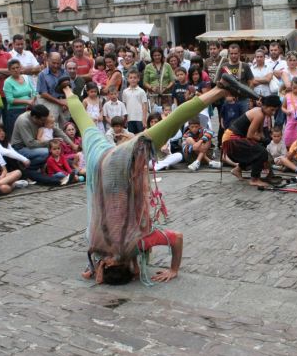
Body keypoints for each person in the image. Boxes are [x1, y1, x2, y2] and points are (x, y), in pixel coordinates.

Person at [58, 71, 253, 285]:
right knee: (85, 124)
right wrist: (93, 269)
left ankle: (220, 89)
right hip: (99, 162)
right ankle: (66, 87)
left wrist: (173, 269)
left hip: (119, 168)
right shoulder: (95, 246)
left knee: (171, 123)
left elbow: (176, 238)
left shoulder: (136, 244)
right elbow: (98, 261)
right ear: (109, 265)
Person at [223, 94, 282, 187]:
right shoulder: (259, 114)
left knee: (258, 150)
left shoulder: (262, 113)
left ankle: (237, 169)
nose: (273, 113)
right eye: (272, 110)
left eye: (275, 110)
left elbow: (260, 132)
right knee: (261, 152)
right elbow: (250, 135)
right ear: (265, 106)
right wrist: (262, 140)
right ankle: (254, 179)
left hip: (234, 139)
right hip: (231, 141)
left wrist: (264, 141)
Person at [11, 104, 76, 170]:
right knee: (47, 152)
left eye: (45, 120)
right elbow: (30, 144)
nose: (44, 122)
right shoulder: (24, 121)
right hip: (21, 148)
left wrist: (72, 144)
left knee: (55, 149)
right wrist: (50, 141)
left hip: (34, 144)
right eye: (43, 120)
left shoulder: (42, 118)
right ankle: (25, 168)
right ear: (34, 117)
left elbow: (58, 131)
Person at [3, 58, 37, 138]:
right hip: (15, 112)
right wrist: (26, 101)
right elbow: (10, 100)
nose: (15, 70)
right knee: (18, 136)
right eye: (13, 68)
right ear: (9, 70)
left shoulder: (26, 78)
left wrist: (32, 100)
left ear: (20, 68)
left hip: (29, 110)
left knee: (30, 134)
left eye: (17, 67)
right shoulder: (8, 82)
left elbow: (34, 92)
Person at [36, 52, 69, 124]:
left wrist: (67, 102)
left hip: (64, 103)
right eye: (53, 63)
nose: (56, 65)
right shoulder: (42, 74)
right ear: (48, 60)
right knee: (52, 125)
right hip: (50, 104)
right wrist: (60, 102)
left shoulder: (65, 72)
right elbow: (43, 94)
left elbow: (70, 88)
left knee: (66, 126)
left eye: (58, 63)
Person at [143, 48, 174, 113]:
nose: (157, 57)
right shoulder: (148, 67)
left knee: (166, 114)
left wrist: (166, 88)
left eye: (159, 55)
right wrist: (151, 88)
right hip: (153, 95)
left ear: (162, 55)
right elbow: (145, 82)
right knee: (155, 114)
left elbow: (172, 81)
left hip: (166, 95)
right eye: (155, 55)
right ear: (152, 56)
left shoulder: (167, 65)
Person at [122, 69, 148, 134]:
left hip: (139, 118)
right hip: (129, 118)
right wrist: (125, 119)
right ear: (128, 79)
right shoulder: (125, 92)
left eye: (135, 78)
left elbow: (144, 105)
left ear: (138, 79)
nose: (133, 79)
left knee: (141, 135)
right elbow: (124, 106)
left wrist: (144, 119)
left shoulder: (141, 91)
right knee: (131, 136)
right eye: (131, 78)